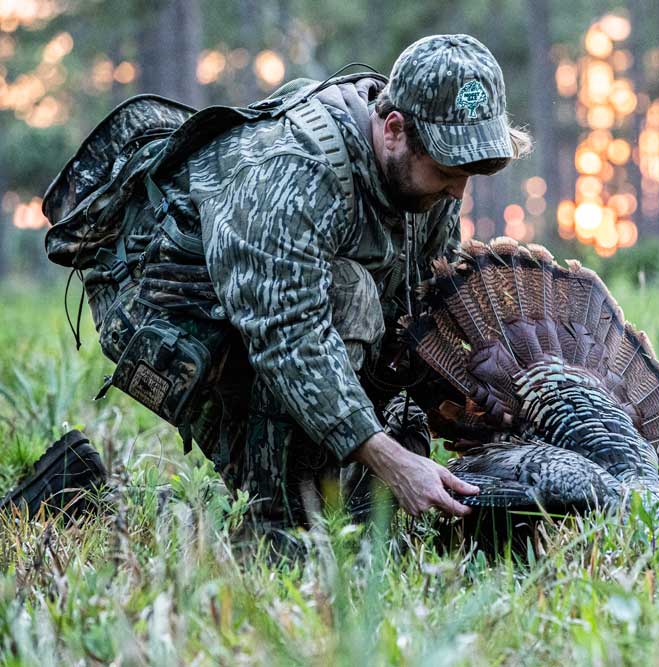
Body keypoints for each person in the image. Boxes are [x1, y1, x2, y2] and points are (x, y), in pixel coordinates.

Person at [4, 34, 532, 530]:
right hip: (168, 309)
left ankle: (82, 493)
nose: (458, 188)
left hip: (280, 320)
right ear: (393, 130)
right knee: (298, 526)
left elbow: (418, 315)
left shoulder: (427, 187)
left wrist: (443, 410)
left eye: (470, 168)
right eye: (447, 167)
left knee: (361, 511)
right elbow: (289, 337)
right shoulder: (296, 170)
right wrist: (387, 456)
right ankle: (261, 518)